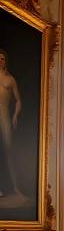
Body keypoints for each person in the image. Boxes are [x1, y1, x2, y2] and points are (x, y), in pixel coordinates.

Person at [0, 48, 23, 199]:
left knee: (8, 150)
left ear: (5, 61)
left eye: (2, 58)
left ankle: (15, 187)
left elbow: (19, 100)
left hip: (4, 114)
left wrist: (15, 115)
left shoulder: (10, 79)